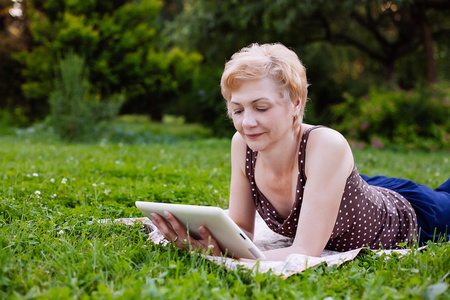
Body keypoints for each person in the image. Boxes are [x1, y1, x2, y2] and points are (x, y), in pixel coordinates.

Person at [151, 43, 450, 261]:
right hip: (353, 189)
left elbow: (304, 252)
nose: (247, 122)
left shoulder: (327, 145)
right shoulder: (241, 144)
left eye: (261, 107)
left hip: (414, 214)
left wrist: (231, 260)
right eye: (237, 110)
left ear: (295, 104)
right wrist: (208, 242)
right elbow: (242, 230)